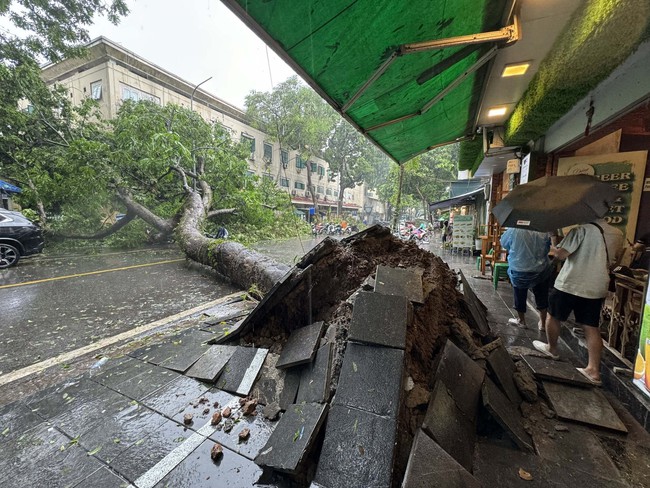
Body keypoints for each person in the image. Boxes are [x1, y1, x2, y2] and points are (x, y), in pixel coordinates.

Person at [533, 219, 624, 386]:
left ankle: (552, 349)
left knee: (554, 316)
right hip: (596, 286)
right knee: (591, 326)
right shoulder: (618, 234)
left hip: (571, 283)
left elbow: (561, 255)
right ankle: (593, 370)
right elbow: (616, 261)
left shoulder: (581, 230)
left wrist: (553, 245)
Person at [500, 228, 553, 329]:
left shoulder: (514, 229)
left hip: (519, 267)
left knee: (519, 294)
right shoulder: (543, 230)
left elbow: (504, 243)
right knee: (542, 294)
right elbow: (547, 248)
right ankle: (542, 323)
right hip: (540, 268)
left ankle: (522, 320)